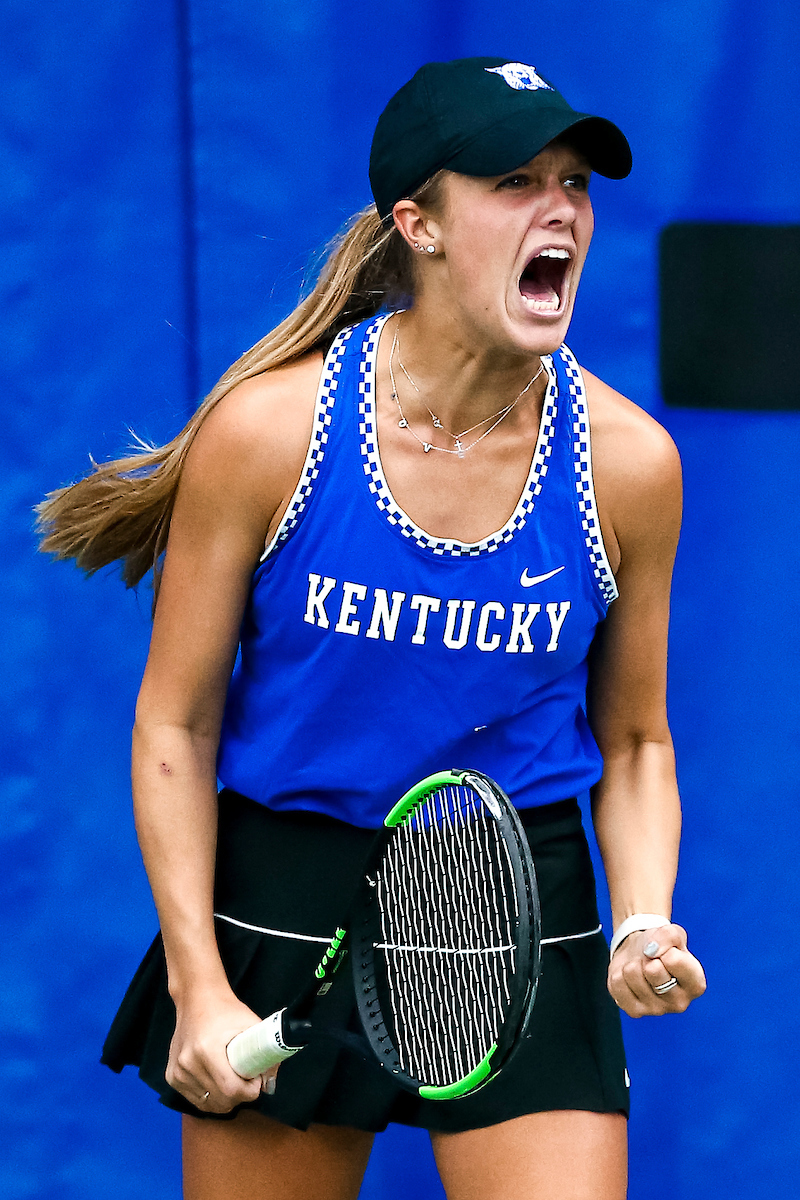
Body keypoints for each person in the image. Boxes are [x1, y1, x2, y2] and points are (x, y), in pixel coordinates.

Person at [39, 57, 706, 1200]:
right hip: (282, 905)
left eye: (575, 184)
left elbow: (636, 743)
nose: (559, 208)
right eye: (513, 180)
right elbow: (176, 725)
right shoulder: (268, 435)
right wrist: (199, 986)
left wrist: (643, 919)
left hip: (516, 905)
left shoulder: (630, 467)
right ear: (419, 223)